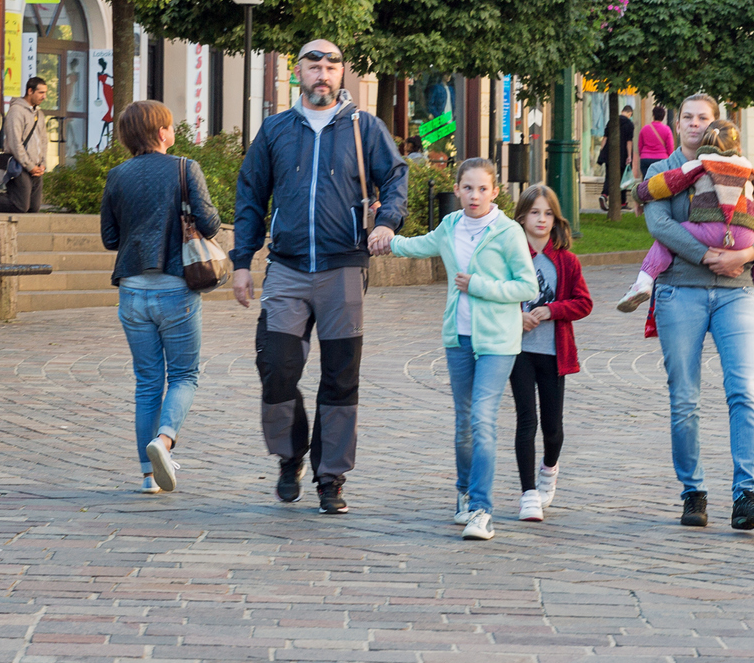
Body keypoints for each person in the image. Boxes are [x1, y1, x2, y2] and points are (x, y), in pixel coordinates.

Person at [232, 39, 409, 515]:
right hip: (286, 270)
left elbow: (395, 177)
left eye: (332, 65)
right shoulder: (275, 131)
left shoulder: (364, 128)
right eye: (315, 64)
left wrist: (389, 220)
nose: (323, 72)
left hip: (343, 269)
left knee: (340, 379)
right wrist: (241, 262)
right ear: (299, 71)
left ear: (342, 73)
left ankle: (330, 477)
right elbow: (249, 195)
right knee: (276, 371)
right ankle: (290, 456)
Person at [387, 158, 537, 541]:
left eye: (482, 189)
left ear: (495, 191)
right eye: (468, 188)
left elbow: (527, 288)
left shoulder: (507, 232)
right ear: (456, 190)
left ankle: (482, 510)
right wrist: (386, 240)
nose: (475, 196)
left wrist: (481, 285)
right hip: (459, 337)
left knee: (482, 419)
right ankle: (465, 492)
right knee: (464, 422)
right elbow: (417, 246)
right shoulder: (450, 226)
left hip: (498, 341)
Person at [640, 114, 754, 531]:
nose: (695, 123)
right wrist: (706, 255)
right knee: (685, 397)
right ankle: (692, 492)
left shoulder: (742, 166)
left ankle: (745, 496)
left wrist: (747, 256)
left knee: (744, 390)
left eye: (704, 117)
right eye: (687, 117)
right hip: (680, 290)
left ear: (717, 127)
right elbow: (657, 223)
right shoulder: (662, 171)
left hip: (737, 293)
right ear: (678, 124)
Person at [100, 99, 220, 494]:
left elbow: (110, 239)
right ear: (163, 132)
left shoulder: (117, 175)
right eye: (170, 126)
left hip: (132, 292)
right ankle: (164, 442)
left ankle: (148, 477)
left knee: (147, 382)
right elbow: (210, 224)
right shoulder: (185, 168)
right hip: (176, 289)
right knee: (185, 374)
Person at [616, 119, 754, 316]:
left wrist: (639, 194)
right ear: (738, 147)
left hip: (708, 230)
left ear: (704, 144)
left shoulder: (699, 165)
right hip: (744, 235)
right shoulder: (749, 170)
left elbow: (666, 183)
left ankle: (643, 283)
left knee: (668, 240)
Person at [509, 184, 592, 523]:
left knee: (553, 426)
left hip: (554, 353)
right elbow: (497, 295)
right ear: (522, 217)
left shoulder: (567, 260)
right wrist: (517, 315)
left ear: (555, 219)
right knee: (526, 419)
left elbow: (583, 302)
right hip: (519, 351)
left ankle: (549, 471)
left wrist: (552, 310)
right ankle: (528, 493)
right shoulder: (511, 256)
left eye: (547, 213)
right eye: (534, 213)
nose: (540, 219)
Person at [0, 76, 50, 213]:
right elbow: (14, 143)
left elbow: (43, 140)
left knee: (33, 207)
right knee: (20, 205)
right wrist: (30, 166)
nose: (44, 96)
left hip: (36, 167)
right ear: (30, 91)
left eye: (45, 93)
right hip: (18, 164)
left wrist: (42, 163)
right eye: (41, 93)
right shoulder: (16, 111)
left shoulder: (39, 113)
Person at [596, 104, 636, 210]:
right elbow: (629, 142)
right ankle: (622, 202)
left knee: (609, 176)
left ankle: (604, 195)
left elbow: (605, 138)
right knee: (623, 179)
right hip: (622, 154)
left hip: (609, 153)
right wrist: (629, 156)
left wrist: (602, 152)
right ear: (629, 113)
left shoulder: (611, 121)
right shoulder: (629, 124)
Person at [637, 105, 675, 178]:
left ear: (653, 115)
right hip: (661, 159)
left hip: (645, 159)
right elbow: (670, 146)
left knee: (647, 183)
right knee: (661, 182)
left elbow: (640, 146)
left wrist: (642, 155)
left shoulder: (644, 129)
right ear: (663, 116)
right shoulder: (667, 130)